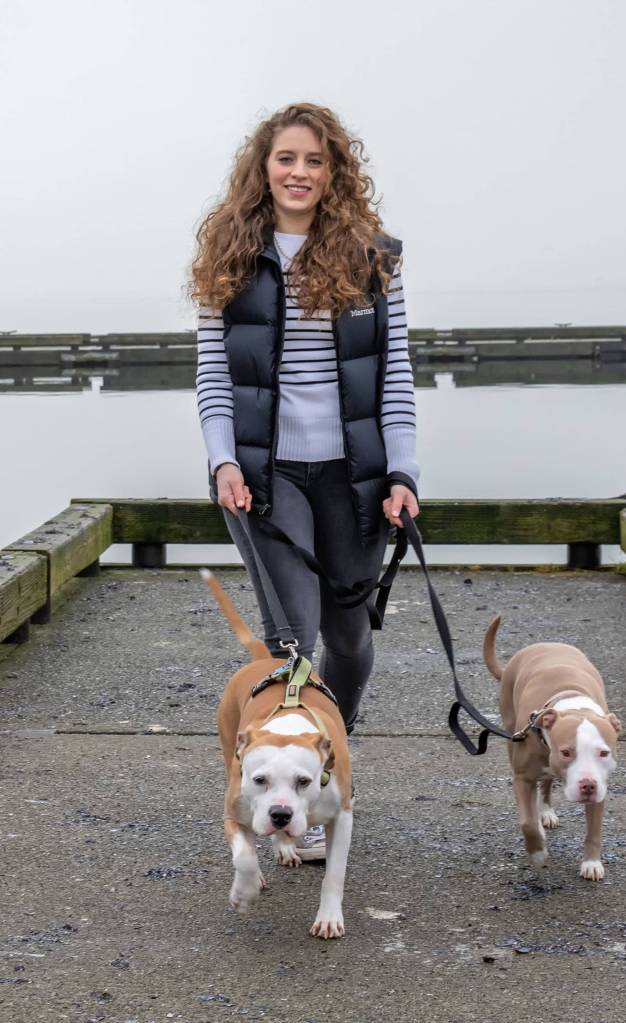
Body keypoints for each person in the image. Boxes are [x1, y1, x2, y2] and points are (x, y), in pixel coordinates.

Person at [190, 104, 419, 854]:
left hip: (352, 477)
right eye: (285, 158)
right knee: (294, 636)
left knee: (348, 640)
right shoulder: (228, 252)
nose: (298, 172)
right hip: (264, 474)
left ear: (334, 172)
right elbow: (214, 377)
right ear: (263, 167)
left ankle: (321, 763)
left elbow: (396, 379)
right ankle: (280, 791)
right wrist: (223, 459)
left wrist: (401, 471)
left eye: (314, 161)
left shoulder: (373, 256)